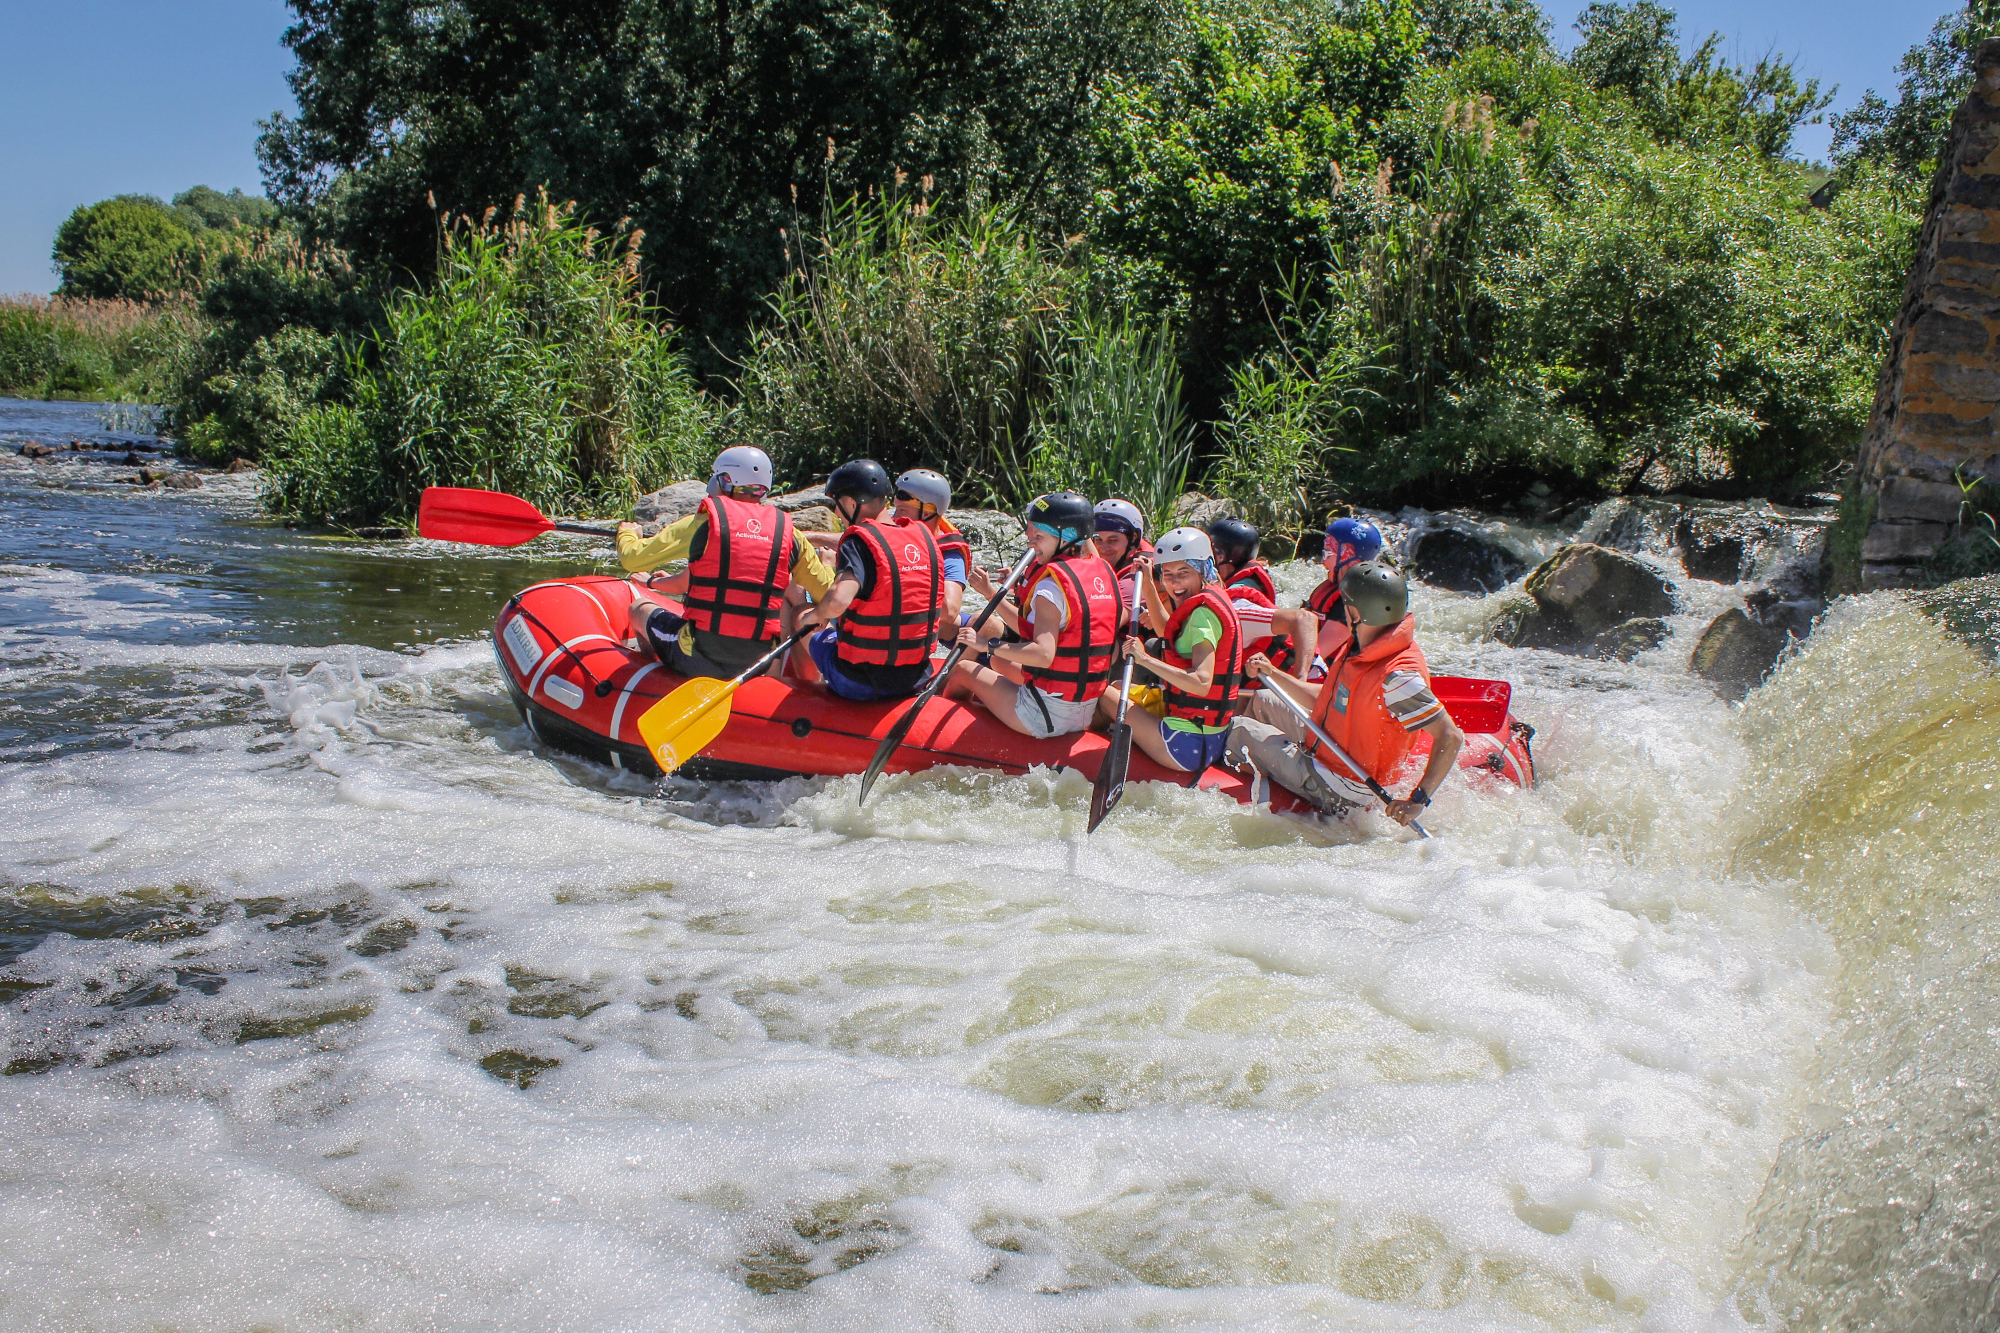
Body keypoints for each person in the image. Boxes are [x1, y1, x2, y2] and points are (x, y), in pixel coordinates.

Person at [1227, 561, 1461, 827]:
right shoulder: (1363, 646)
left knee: (1236, 729)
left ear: (1354, 612)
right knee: (1262, 699)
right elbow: (1328, 700)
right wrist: (1273, 675)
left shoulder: (1399, 678)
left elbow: (1450, 736)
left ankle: (1246, 772)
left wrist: (1418, 799)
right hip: (1329, 749)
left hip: (1341, 787)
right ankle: (1264, 762)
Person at [616, 445, 835, 679]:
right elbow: (827, 592)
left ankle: (652, 682)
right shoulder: (789, 535)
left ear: (726, 480)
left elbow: (632, 558)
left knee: (638, 609)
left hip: (696, 656)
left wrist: (628, 533)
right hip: (760, 662)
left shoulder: (704, 522)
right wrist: (829, 566)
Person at [951, 492, 1121, 738]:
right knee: (1000, 662)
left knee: (964, 669)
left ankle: (945, 718)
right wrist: (990, 593)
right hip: (1085, 709)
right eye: (1031, 535)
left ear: (1067, 538)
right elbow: (1029, 630)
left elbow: (1042, 654)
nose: (1031, 542)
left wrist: (986, 644)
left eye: (1039, 536)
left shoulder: (1049, 588)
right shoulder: (1101, 572)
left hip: (1043, 716)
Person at [788, 458, 945, 701]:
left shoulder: (858, 541)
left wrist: (815, 616)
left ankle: (805, 692)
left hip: (859, 681)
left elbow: (839, 600)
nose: (837, 512)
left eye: (837, 505)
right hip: (917, 677)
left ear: (852, 502)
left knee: (800, 613)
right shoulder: (924, 537)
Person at [1100, 527, 1244, 773]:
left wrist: (1144, 659)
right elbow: (1167, 632)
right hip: (1208, 737)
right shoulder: (1209, 600)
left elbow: (1201, 682)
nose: (1174, 582)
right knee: (1118, 688)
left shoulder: (1202, 616)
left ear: (1202, 570)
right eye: (1167, 574)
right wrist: (1147, 584)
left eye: (1183, 572)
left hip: (1184, 744)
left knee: (1105, 695)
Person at [1206, 516, 1316, 679]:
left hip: (1302, 684)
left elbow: (1306, 619)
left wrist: (1301, 679)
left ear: (1220, 556)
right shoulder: (1250, 580)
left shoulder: (1236, 603)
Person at [894, 468, 969, 639]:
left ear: (926, 513)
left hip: (921, 630)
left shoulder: (950, 554)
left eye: (902, 511)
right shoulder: (894, 530)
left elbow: (949, 612)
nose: (895, 517)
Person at [1304, 515, 1384, 666]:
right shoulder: (1334, 588)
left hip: (1336, 680)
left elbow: (1313, 657)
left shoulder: (1350, 600)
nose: (1322, 561)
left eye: (1328, 553)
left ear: (1347, 556)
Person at [1092, 498, 1151, 616]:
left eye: (1113, 540)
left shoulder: (1136, 577)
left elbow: (1107, 623)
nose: (1103, 548)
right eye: (1098, 540)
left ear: (1133, 538)